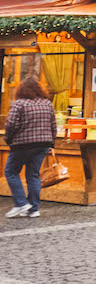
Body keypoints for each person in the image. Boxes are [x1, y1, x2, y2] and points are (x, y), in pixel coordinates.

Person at [4, 78, 55, 218]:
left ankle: (21, 203)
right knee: (33, 175)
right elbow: (53, 125)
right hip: (43, 144)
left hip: (22, 144)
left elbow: (11, 125)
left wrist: (8, 139)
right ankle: (34, 208)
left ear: (21, 90)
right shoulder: (47, 104)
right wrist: (52, 143)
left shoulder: (19, 104)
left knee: (10, 171)